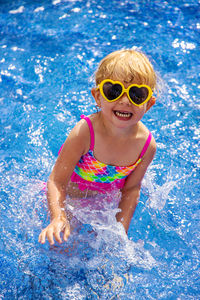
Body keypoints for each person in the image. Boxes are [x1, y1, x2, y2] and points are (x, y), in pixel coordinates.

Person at [39, 49, 157, 246]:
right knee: (59, 248)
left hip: (102, 207)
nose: (125, 100)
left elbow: (131, 190)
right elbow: (56, 181)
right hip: (68, 200)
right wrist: (58, 217)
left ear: (149, 104)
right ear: (97, 96)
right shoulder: (84, 133)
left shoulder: (146, 146)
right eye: (114, 91)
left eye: (137, 94)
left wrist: (120, 233)